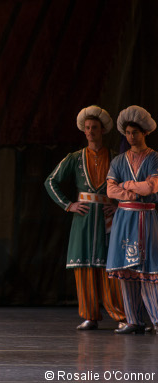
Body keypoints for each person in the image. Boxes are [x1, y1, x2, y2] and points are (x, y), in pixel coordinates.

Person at [44, 105, 126, 330]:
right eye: (87, 128)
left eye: (95, 128)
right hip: (85, 217)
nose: (90, 131)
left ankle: (120, 317)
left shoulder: (117, 158)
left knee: (110, 267)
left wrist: (119, 206)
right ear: (84, 131)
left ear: (102, 130)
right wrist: (68, 205)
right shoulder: (75, 158)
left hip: (108, 219)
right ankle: (89, 315)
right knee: (85, 267)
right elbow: (51, 181)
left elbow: (130, 186)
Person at [106, 105, 158, 335]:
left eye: (134, 132)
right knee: (125, 270)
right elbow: (110, 190)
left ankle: (156, 320)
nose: (130, 137)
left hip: (146, 217)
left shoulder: (154, 158)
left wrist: (126, 185)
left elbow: (152, 186)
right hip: (124, 218)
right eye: (127, 133)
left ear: (144, 133)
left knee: (148, 270)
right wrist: (132, 190)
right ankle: (133, 320)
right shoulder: (118, 161)